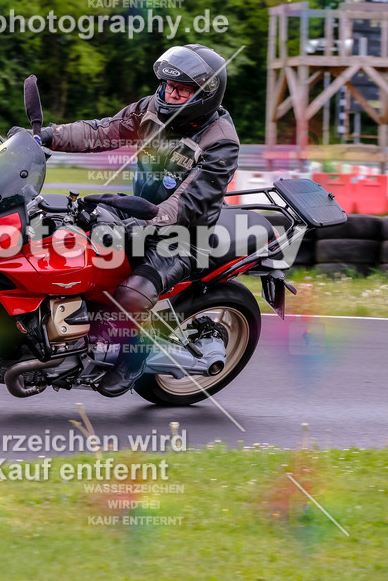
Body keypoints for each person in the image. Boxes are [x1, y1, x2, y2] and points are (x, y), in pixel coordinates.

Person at [18, 44, 240, 396]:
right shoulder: (152, 109)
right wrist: (47, 136)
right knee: (62, 232)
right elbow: (101, 131)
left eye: (180, 89)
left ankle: (133, 361)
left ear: (204, 94)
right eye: (167, 85)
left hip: (182, 236)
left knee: (133, 294)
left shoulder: (220, 142)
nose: (169, 93)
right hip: (137, 211)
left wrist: (148, 225)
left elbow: (189, 201)